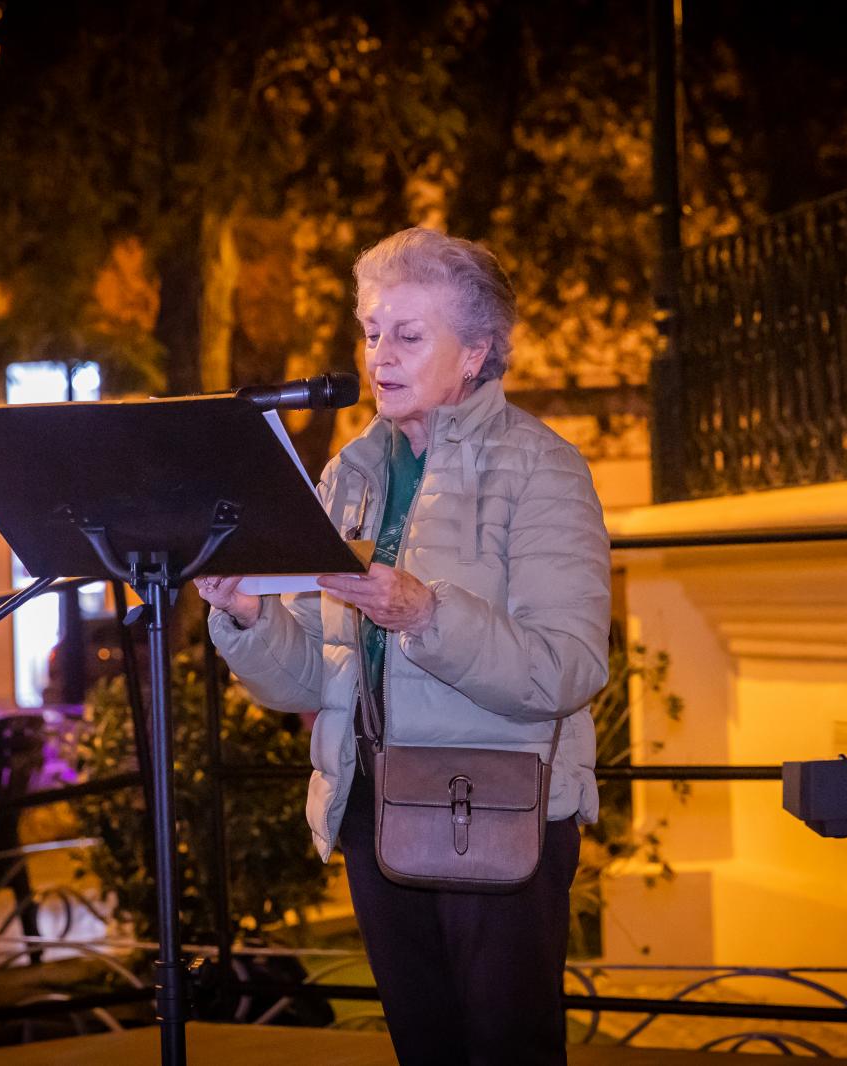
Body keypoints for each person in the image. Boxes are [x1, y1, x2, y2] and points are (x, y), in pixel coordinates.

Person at [198, 227, 611, 1065]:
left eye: (409, 335)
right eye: (373, 331)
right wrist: (246, 618)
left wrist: (425, 615)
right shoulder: (350, 472)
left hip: (494, 810)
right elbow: (314, 671)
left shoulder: (542, 470)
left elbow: (569, 667)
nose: (380, 354)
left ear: (475, 354)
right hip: (373, 809)